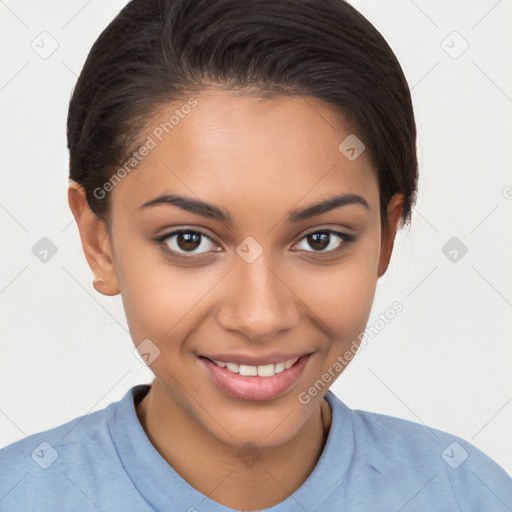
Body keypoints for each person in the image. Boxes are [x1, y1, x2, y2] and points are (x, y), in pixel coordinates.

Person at [1, 0, 511, 510]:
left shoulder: (467, 495)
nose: (260, 317)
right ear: (100, 243)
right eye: (189, 240)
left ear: (385, 238)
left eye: (320, 239)